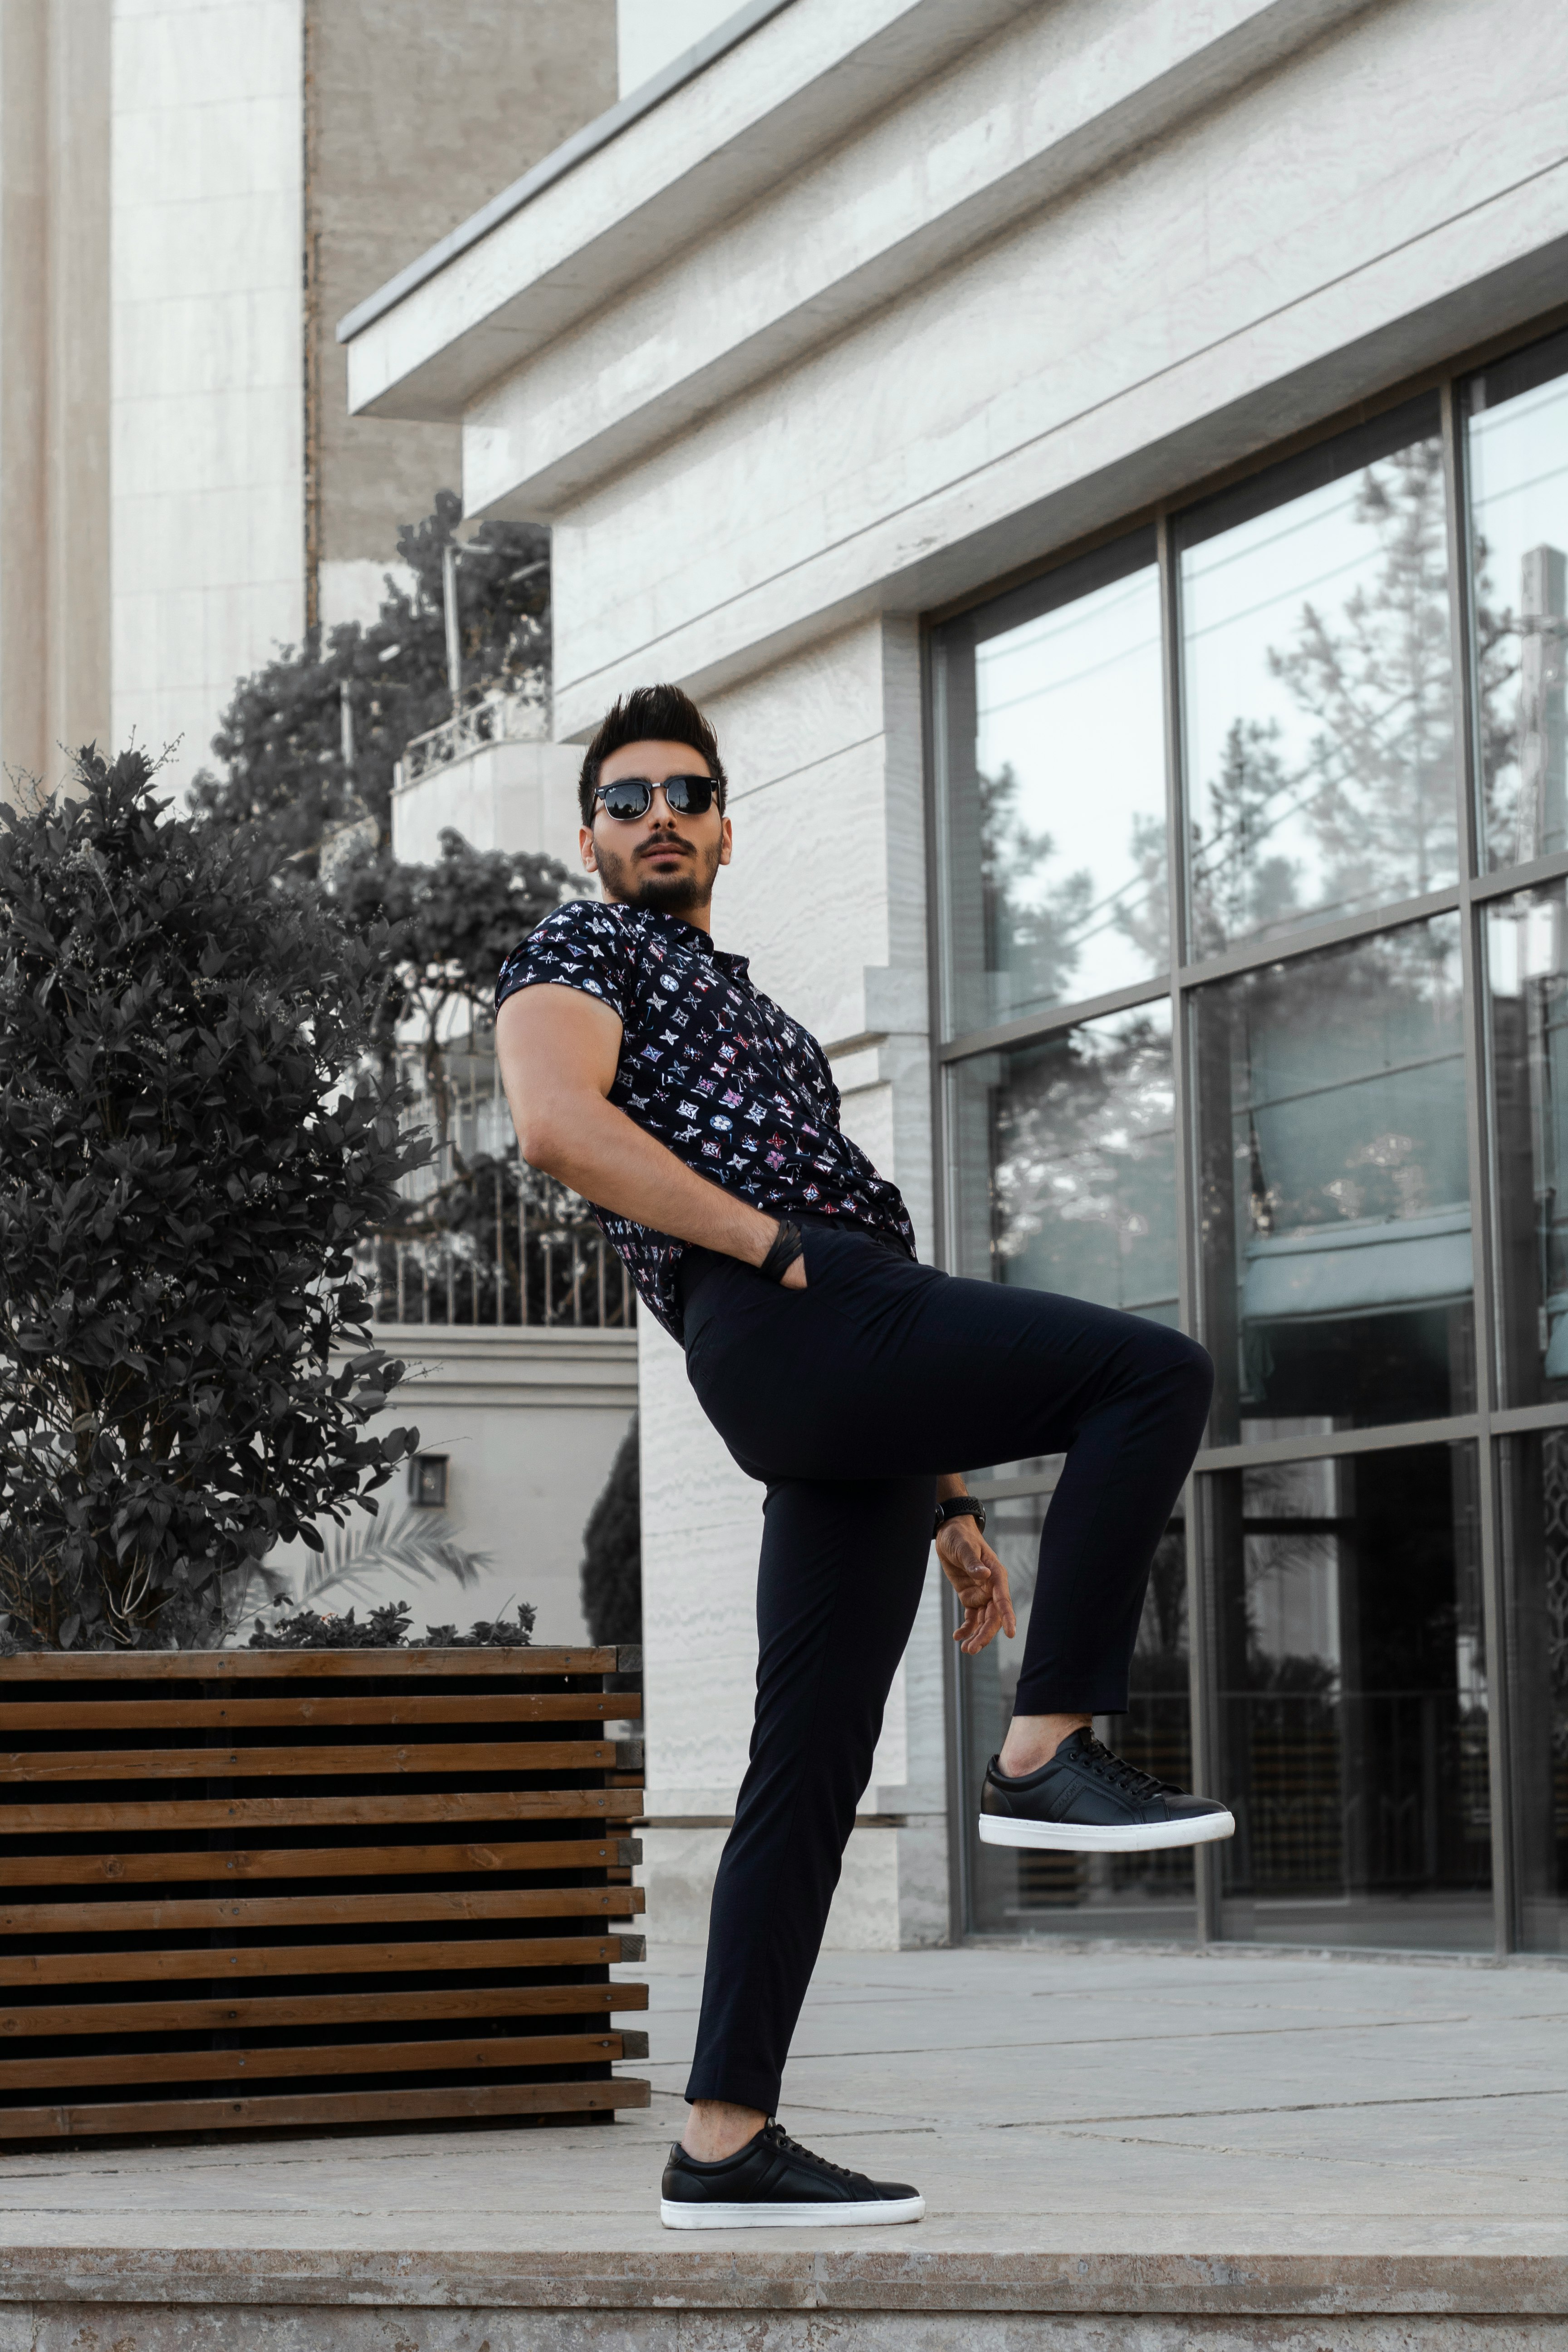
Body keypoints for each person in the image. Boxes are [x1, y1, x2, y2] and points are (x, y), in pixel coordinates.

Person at [495, 682, 1230, 2231]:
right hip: (786, 1303)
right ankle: (1043, 1756)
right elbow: (558, 1125)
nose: (661, 817)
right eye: (628, 800)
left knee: (809, 1767)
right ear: (591, 837)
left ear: (727, 826)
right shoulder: (581, 949)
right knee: (1151, 1374)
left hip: (839, 1360)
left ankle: (723, 2137)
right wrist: (775, 1248)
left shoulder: (760, 1012)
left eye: (688, 793)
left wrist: (955, 1503)